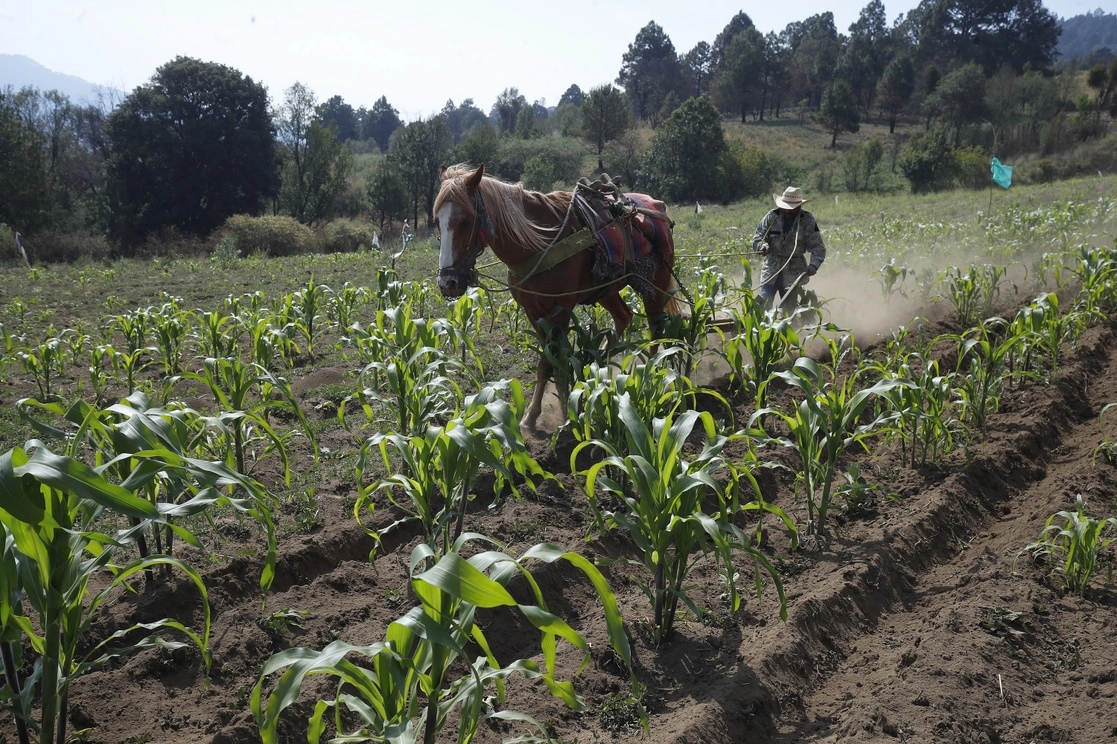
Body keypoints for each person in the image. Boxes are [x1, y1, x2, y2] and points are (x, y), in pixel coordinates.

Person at [752, 186, 826, 311]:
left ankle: (789, 328)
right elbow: (758, 237)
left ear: (799, 207)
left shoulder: (807, 220)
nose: (788, 211)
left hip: (794, 271)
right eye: (785, 208)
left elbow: (818, 247)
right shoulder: (772, 217)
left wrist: (814, 265)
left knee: (789, 308)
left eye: (792, 209)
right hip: (771, 268)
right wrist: (762, 246)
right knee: (762, 303)